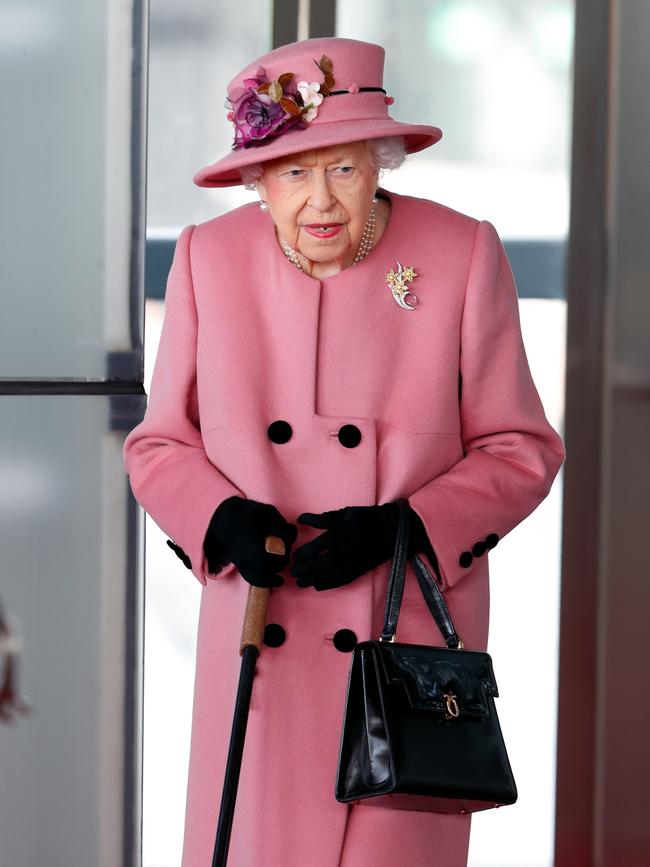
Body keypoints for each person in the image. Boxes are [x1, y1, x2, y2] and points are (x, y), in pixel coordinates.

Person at [123, 36, 565, 867]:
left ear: (382, 163)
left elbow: (522, 446)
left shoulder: (461, 251)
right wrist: (217, 518)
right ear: (257, 180)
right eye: (293, 172)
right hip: (265, 629)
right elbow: (160, 443)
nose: (319, 199)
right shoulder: (206, 259)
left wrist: (410, 522)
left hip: (400, 648)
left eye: (345, 169)